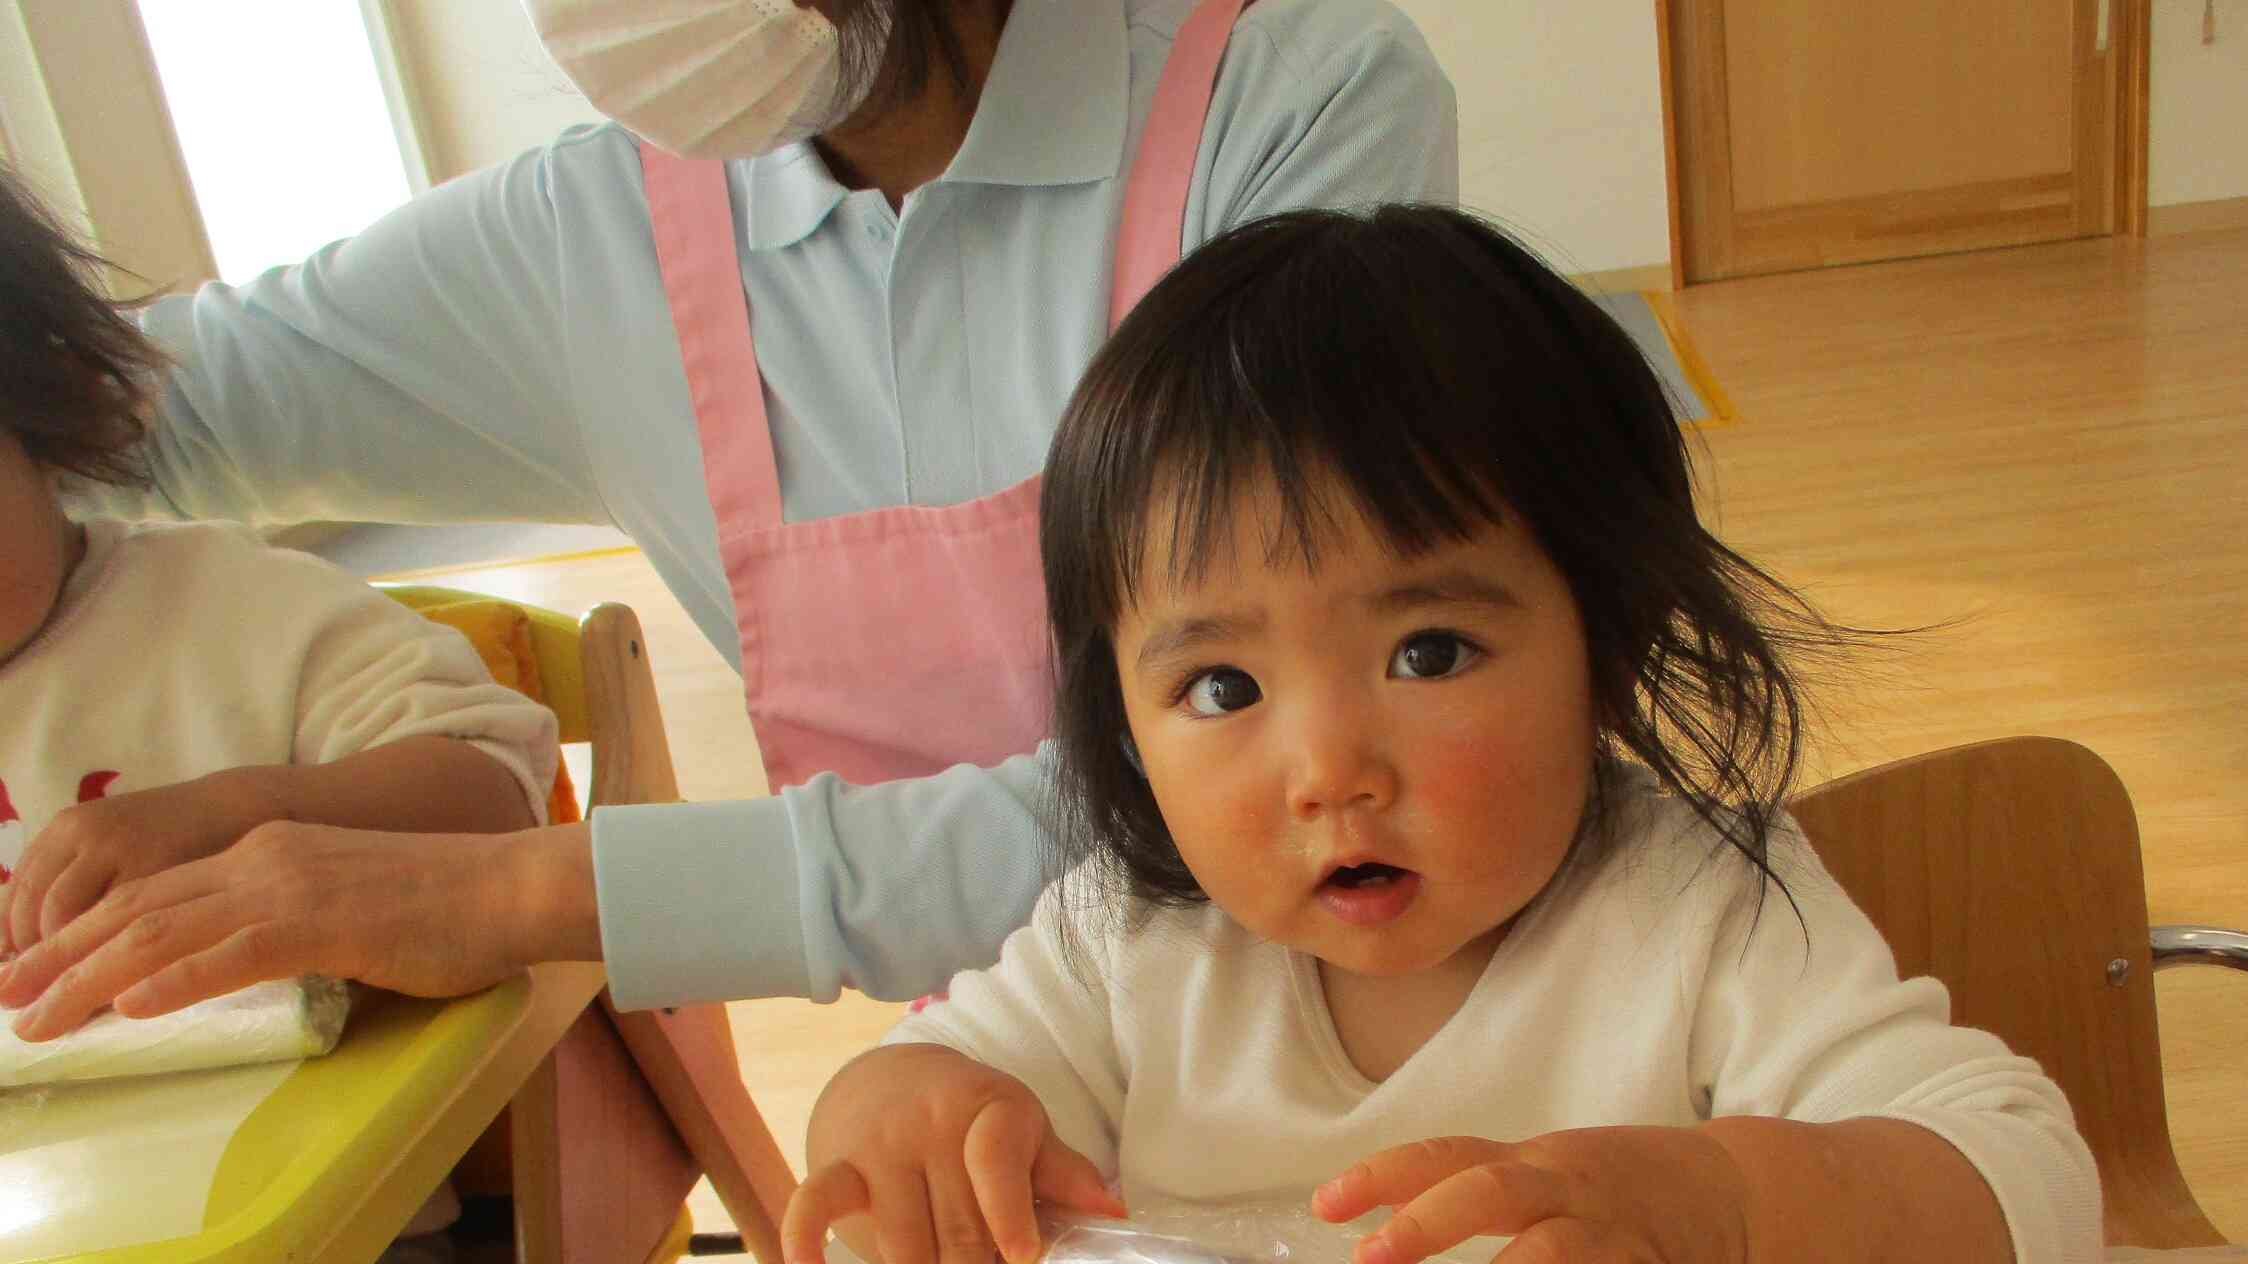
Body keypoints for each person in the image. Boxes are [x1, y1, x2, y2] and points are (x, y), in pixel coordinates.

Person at [777, 206, 2103, 1264]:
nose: (1328, 770)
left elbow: (2028, 1213)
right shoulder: (1129, 943)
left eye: (1429, 654)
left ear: (1609, 650)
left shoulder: (1700, 915)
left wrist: (1730, 1208)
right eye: (1222, 684)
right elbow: (919, 1133)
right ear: (1120, 717)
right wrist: (894, 1121)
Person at [0, 0, 1455, 1046]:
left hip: (1374, 1010)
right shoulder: (598, 240)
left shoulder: (1290, 108)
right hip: (1014, 1063)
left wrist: (516, 889)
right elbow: (115, 410)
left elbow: (1234, 794)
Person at [0, 167, 562, 1264]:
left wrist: (232, 813)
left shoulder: (228, 613)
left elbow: (494, 795)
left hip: (310, 1245)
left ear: (43, 423)